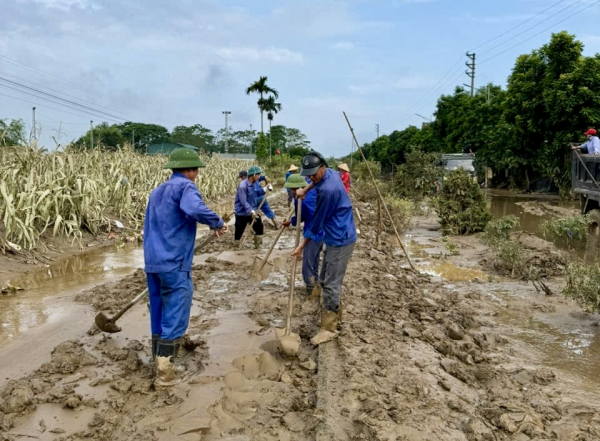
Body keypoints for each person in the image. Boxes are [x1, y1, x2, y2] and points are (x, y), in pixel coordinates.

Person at [144, 148, 228, 387]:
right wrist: (217, 222)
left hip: (153, 262)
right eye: (196, 171)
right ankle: (165, 372)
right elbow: (194, 209)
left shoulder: (157, 191)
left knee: (158, 310)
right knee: (176, 311)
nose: (197, 175)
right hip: (174, 262)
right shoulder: (185, 187)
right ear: (191, 170)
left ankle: (157, 358)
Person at [292, 151, 357, 346]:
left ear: (322, 167)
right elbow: (317, 181)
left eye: (314, 174)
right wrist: (307, 189)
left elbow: (316, 224)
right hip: (335, 233)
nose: (311, 177)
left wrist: (301, 246)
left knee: (331, 283)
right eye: (308, 175)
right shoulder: (329, 172)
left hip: (340, 237)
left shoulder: (328, 191)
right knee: (325, 273)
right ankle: (333, 311)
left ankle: (329, 328)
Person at [282, 173, 324, 295]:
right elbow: (302, 216)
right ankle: (315, 285)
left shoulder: (303, 200)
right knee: (314, 262)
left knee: (307, 264)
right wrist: (292, 221)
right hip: (322, 233)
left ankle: (311, 290)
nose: (290, 191)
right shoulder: (312, 193)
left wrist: (303, 243)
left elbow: (309, 216)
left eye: (291, 189)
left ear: (296, 188)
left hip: (313, 234)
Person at [234, 165, 264, 249]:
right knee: (239, 230)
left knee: (259, 227)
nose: (259, 176)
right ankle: (237, 246)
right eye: (258, 174)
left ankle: (258, 246)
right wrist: (251, 211)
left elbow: (258, 193)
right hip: (242, 212)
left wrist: (265, 190)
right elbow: (243, 201)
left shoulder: (256, 183)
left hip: (253, 209)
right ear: (253, 175)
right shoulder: (242, 186)